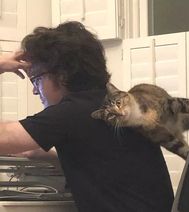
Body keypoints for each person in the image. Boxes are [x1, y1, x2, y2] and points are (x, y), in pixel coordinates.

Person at [0, 21, 174, 212]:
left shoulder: (72, 113)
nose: (35, 90)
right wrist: (50, 156)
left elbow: (4, 137)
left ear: (62, 74)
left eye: (36, 79)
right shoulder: (114, 105)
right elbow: (106, 168)